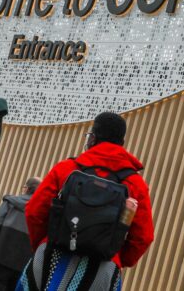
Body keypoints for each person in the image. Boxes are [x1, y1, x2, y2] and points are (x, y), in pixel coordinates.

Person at [22, 111, 154, 290]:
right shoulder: (134, 183)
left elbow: (34, 211)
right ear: (121, 143)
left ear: (93, 137)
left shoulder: (67, 168)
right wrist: (116, 258)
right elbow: (143, 237)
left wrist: (45, 242)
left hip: (52, 256)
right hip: (102, 269)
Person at [0, 176, 41, 291]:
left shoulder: (10, 202)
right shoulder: (43, 211)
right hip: (25, 259)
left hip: (2, 253)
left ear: (26, 188)